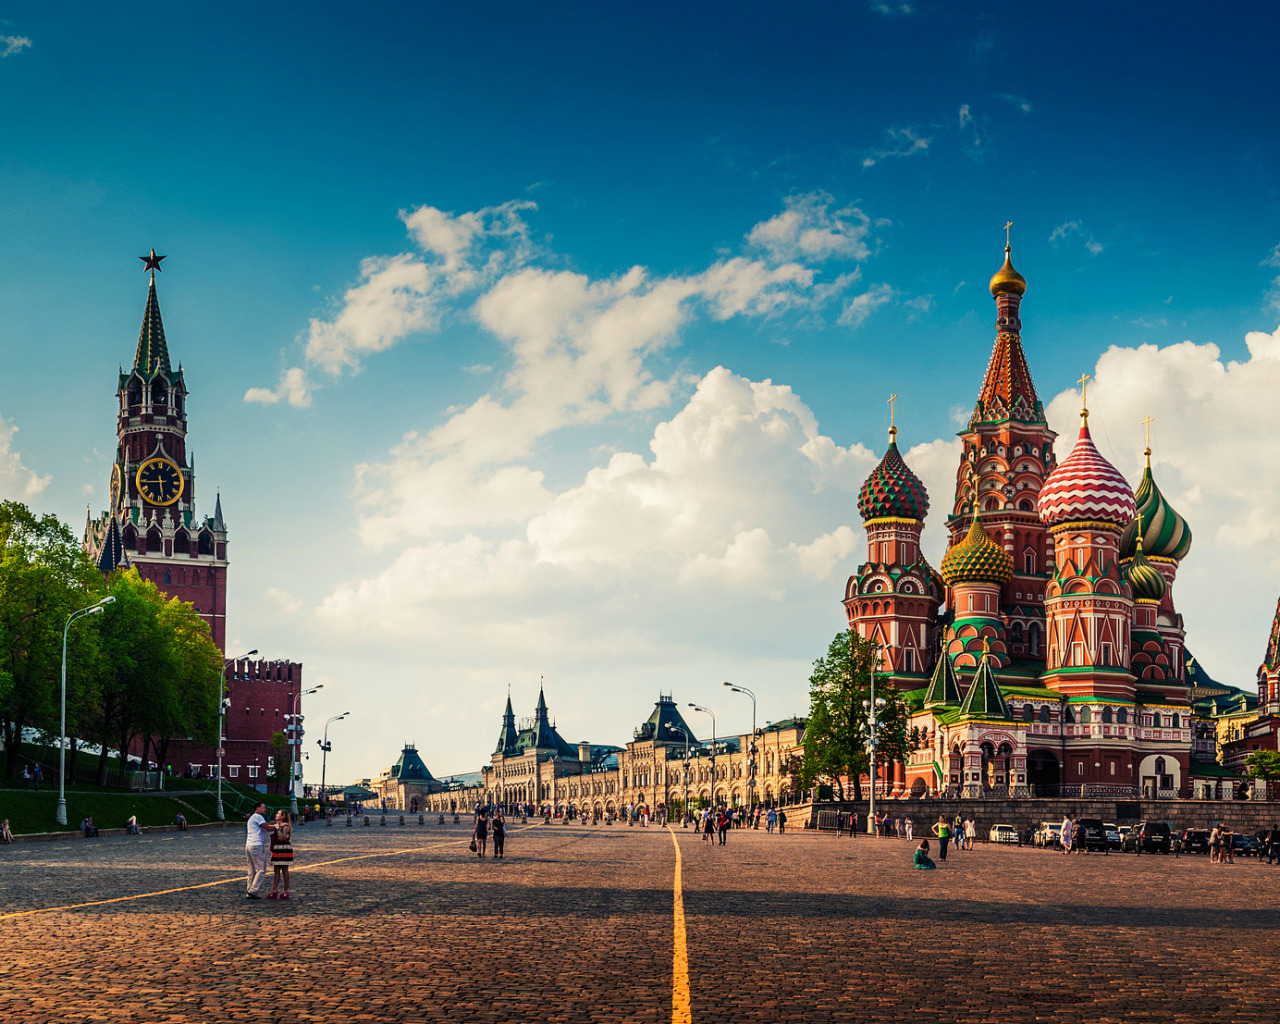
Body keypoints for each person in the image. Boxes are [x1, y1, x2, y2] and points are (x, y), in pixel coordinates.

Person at [245, 801, 273, 899]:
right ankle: (253, 890)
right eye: (263, 807)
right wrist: (278, 827)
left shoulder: (252, 817)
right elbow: (268, 828)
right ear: (258, 808)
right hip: (256, 845)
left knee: (251, 870)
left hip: (249, 845)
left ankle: (250, 890)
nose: (265, 809)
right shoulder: (258, 817)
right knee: (261, 869)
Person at [268, 810, 294, 899]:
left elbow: (282, 837)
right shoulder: (277, 825)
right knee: (276, 871)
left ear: (282, 816)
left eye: (278, 814)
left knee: (285, 870)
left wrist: (278, 828)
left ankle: (286, 890)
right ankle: (273, 890)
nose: (276, 814)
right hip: (277, 849)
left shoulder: (286, 826)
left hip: (284, 849)